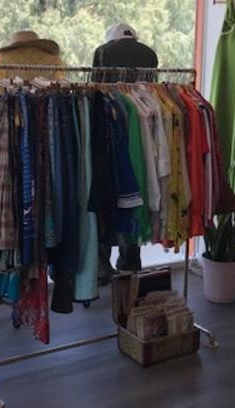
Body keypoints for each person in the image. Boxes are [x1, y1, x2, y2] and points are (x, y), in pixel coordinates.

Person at [92, 23, 158, 283]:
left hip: (109, 118)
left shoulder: (103, 52)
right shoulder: (149, 53)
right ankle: (130, 262)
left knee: (107, 192)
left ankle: (101, 267)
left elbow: (94, 86)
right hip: (143, 118)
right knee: (136, 189)